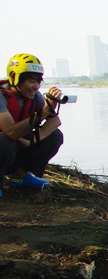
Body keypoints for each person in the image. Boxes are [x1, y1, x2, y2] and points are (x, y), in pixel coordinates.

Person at [0, 53, 64, 198]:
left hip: (14, 148)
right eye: (31, 81)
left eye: (38, 82)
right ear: (14, 77)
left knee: (55, 136)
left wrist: (33, 140)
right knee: (5, 142)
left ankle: (20, 176)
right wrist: (42, 113)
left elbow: (55, 121)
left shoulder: (35, 97)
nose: (36, 87)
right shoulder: (1, 96)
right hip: (4, 146)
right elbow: (10, 132)